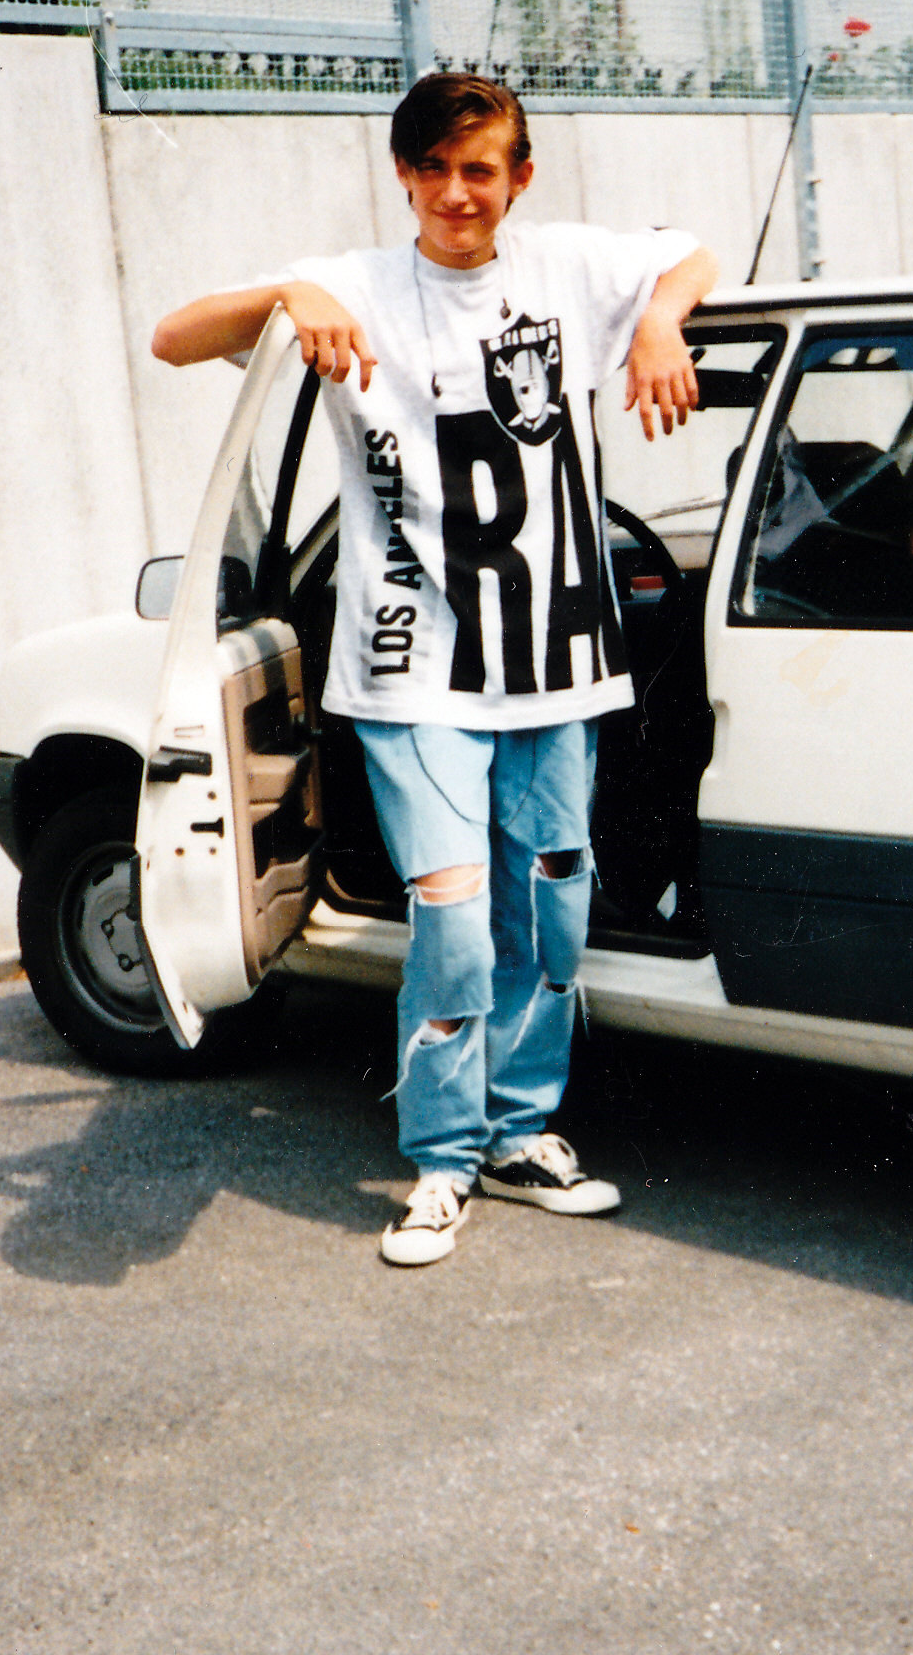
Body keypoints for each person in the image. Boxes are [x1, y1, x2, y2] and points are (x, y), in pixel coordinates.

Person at [150, 72, 717, 1268]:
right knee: (455, 926)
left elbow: (692, 255)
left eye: (483, 169)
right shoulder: (351, 286)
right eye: (437, 169)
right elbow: (174, 337)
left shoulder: (564, 267)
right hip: (415, 675)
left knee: (552, 912)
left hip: (559, 665)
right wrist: (290, 292)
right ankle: (442, 1158)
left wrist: (661, 319)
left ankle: (521, 1134)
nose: (461, 194)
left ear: (519, 178)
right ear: (404, 175)